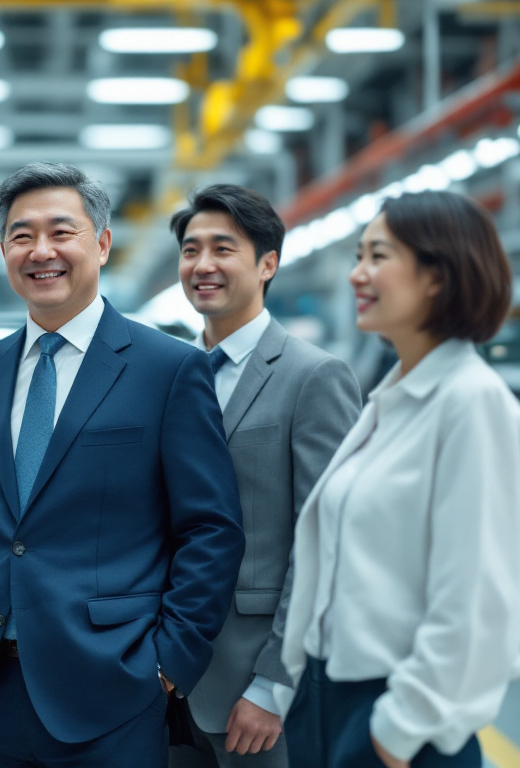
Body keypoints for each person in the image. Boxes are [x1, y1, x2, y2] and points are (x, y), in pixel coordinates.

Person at [0, 162, 246, 768]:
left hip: (112, 690)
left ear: (101, 242)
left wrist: (167, 665)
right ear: (3, 250)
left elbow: (210, 528)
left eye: (60, 232)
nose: (41, 251)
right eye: (22, 235)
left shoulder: (167, 369)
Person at [280, 190, 520, 768]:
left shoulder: (473, 405)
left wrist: (395, 732)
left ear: (437, 275)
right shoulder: (392, 399)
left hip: (399, 724)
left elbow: (476, 604)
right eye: (358, 255)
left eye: (378, 256)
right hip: (330, 699)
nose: (357, 275)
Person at [168, 185, 361, 768]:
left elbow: (329, 540)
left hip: (254, 692)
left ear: (267, 263)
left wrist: (274, 684)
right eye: (191, 249)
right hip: (165, 683)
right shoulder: (168, 373)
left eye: (223, 249)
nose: (202, 266)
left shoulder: (314, 378)